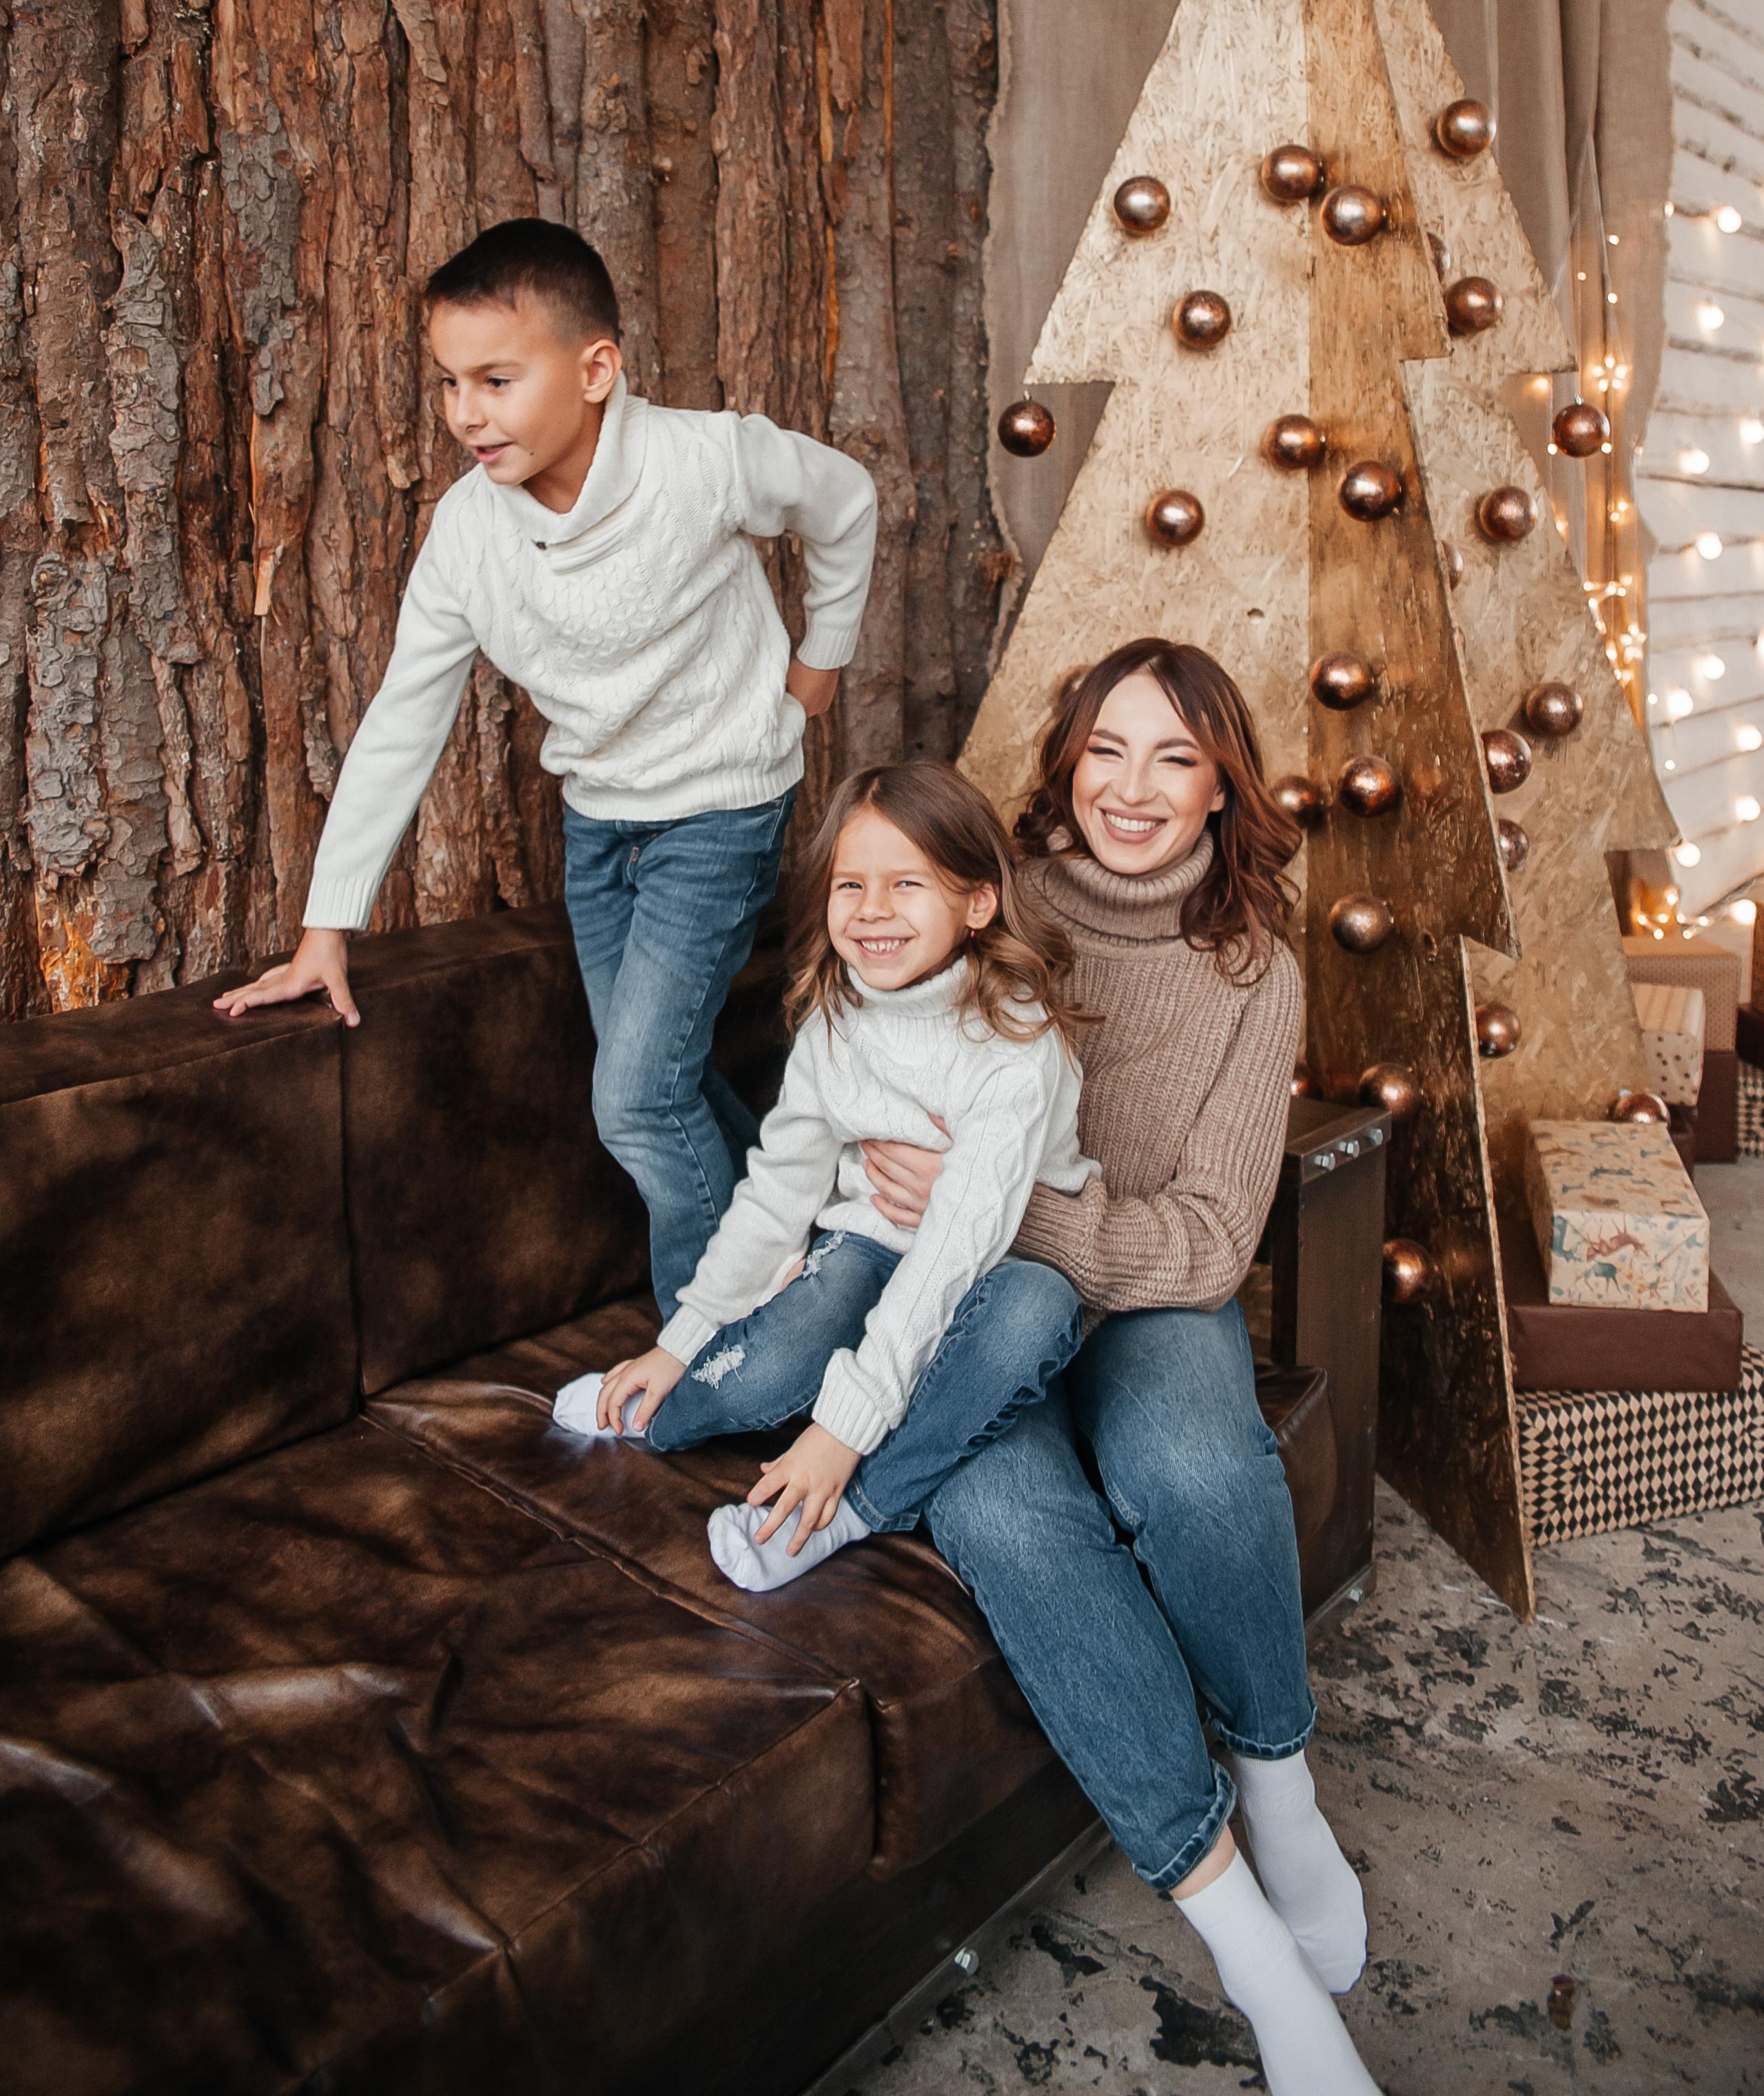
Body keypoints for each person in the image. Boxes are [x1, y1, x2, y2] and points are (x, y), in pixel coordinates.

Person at [860, 642, 1380, 2096]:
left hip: (1152, 1290)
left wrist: (1009, 1203)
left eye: (1173, 757)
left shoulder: (1251, 970)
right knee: (1008, 1517)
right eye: (1105, 750)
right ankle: (1248, 1948)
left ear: (1222, 785)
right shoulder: (991, 901)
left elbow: (1209, 1239)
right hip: (973, 1302)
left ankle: (1280, 1787)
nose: (1131, 788)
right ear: (1065, 762)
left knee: (1193, 1462)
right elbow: (872, 1072)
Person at [214, 218, 877, 1315]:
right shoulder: (467, 534)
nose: (466, 412)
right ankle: (816, 1243)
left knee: (636, 1101)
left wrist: (823, 656)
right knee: (654, 1083)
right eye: (449, 382)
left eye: (497, 379)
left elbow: (844, 498)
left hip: (720, 809)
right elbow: (404, 717)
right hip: (600, 825)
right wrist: (327, 925)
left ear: (596, 369)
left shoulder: (703, 459)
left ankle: (712, 1340)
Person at [551, 761, 1091, 1592]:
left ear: (978, 902)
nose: (872, 909)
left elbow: (955, 1247)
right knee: (768, 1362)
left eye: (906, 883)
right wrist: (676, 1343)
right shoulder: (838, 1020)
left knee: (1036, 1307)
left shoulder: (1015, 1045)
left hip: (990, 1272)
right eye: (850, 884)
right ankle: (657, 1416)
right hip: (869, 1248)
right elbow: (778, 1192)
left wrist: (839, 1434)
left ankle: (848, 1511)